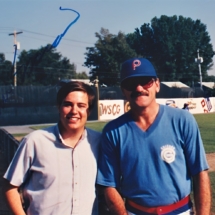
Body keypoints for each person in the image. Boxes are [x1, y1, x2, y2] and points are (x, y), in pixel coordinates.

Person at [97, 58, 211, 215]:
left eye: (145, 81)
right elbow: (109, 184)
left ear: (157, 84)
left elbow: (199, 172)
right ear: (124, 90)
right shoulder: (112, 131)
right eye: (131, 84)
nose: (139, 88)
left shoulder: (182, 120)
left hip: (180, 211)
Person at [3, 81, 101, 215]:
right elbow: (10, 187)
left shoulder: (99, 142)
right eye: (67, 104)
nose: (74, 111)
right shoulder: (35, 141)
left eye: (81, 106)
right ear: (58, 107)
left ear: (88, 111)